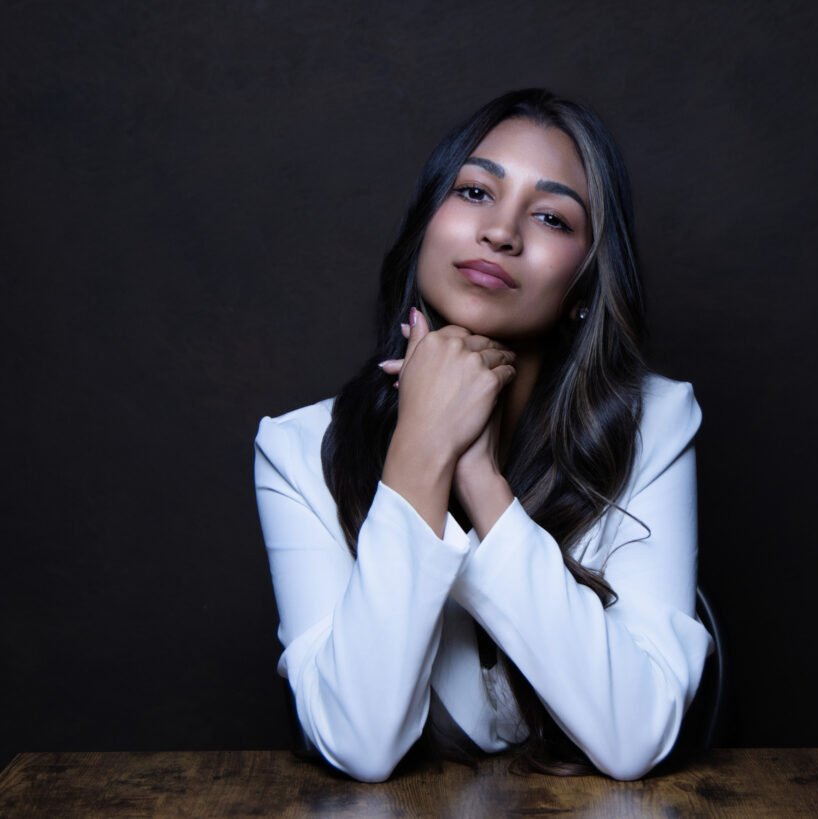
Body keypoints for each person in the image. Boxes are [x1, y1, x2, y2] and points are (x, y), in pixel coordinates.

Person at [254, 88, 712, 782]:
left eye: (552, 215)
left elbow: (636, 735)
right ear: (425, 228)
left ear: (586, 282)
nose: (502, 231)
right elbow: (359, 741)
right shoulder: (294, 451)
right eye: (474, 192)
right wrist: (422, 445)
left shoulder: (656, 424)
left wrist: (479, 475)